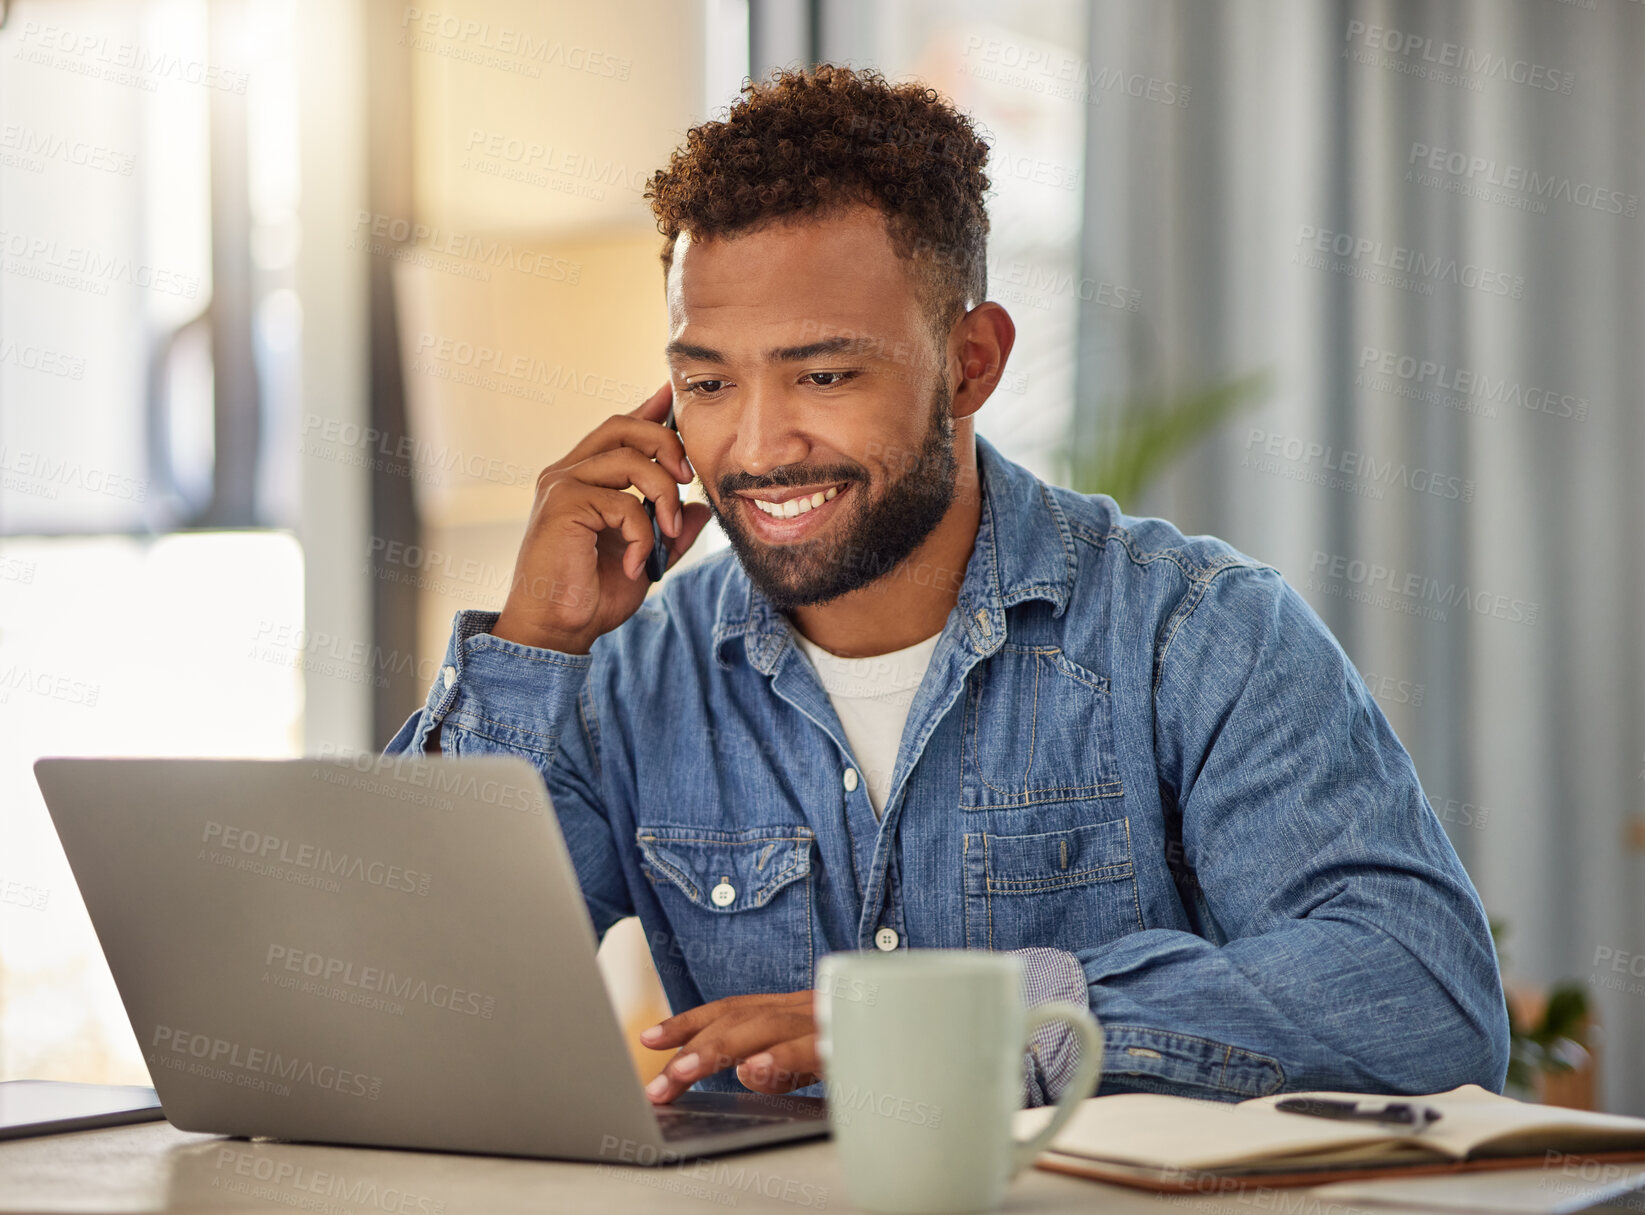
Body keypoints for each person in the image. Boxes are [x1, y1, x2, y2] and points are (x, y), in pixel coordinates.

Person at [385, 64, 1509, 1108]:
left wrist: (954, 1026)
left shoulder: (1197, 631)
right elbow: (402, 1015)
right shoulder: (623, 677)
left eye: (823, 373)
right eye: (710, 382)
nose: (760, 446)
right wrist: (531, 649)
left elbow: (1419, 997)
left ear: (971, 362)